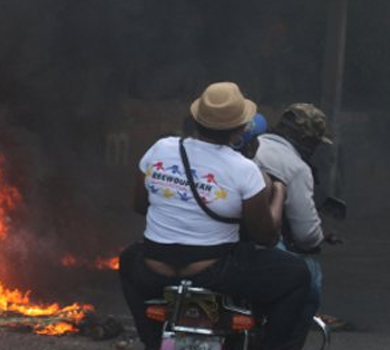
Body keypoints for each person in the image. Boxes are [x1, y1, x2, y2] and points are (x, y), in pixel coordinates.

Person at [119, 82, 311, 350]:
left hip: (153, 270)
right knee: (299, 274)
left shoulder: (160, 149)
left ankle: (152, 341)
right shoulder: (244, 170)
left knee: (127, 259)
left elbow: (140, 205)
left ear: (196, 119)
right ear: (239, 130)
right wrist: (279, 192)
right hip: (213, 274)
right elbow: (266, 236)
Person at [252, 103, 335, 343]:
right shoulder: (296, 167)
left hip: (228, 245)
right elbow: (306, 235)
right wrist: (320, 235)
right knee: (310, 277)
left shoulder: (250, 146)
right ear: (307, 140)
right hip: (262, 250)